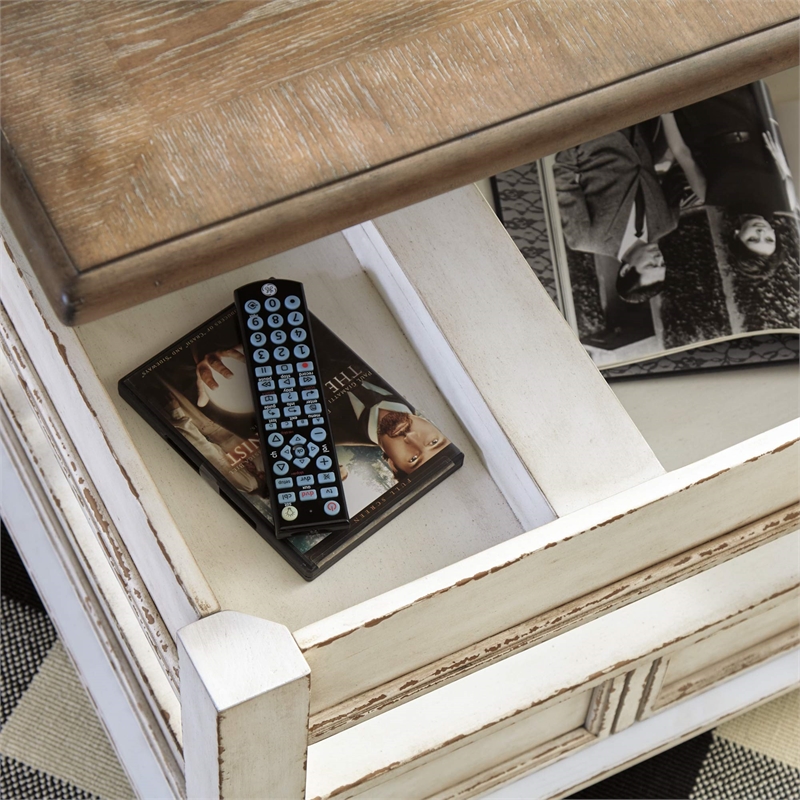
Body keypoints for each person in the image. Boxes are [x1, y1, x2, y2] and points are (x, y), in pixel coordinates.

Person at [661, 84, 795, 280]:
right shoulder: (785, 198)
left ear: (736, 235)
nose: (760, 232)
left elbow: (683, 154)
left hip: (704, 117)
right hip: (747, 108)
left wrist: (665, 112)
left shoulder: (711, 195)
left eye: (752, 239)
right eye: (768, 239)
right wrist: (784, 163)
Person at [553, 126, 679, 303]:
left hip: (591, 131)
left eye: (651, 264)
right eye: (662, 264)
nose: (659, 258)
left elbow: (563, 182)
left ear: (626, 270)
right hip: (640, 124)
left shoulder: (586, 239)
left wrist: (576, 136)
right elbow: (678, 172)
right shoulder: (668, 222)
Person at [327, 380, 451, 479]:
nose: (410, 437)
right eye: (433, 442)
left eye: (413, 459)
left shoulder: (329, 433)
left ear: (393, 465)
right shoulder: (416, 381)